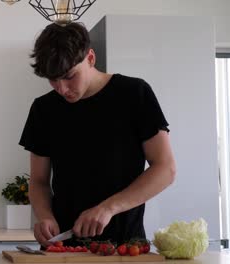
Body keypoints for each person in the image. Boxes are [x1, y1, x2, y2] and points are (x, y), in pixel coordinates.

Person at [19, 22, 176, 247]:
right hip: (62, 247)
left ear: (90, 58)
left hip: (124, 247)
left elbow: (166, 169)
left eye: (69, 76)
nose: (62, 89)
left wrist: (108, 208)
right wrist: (44, 215)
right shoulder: (43, 109)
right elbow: (39, 181)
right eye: (53, 79)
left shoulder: (134, 94)